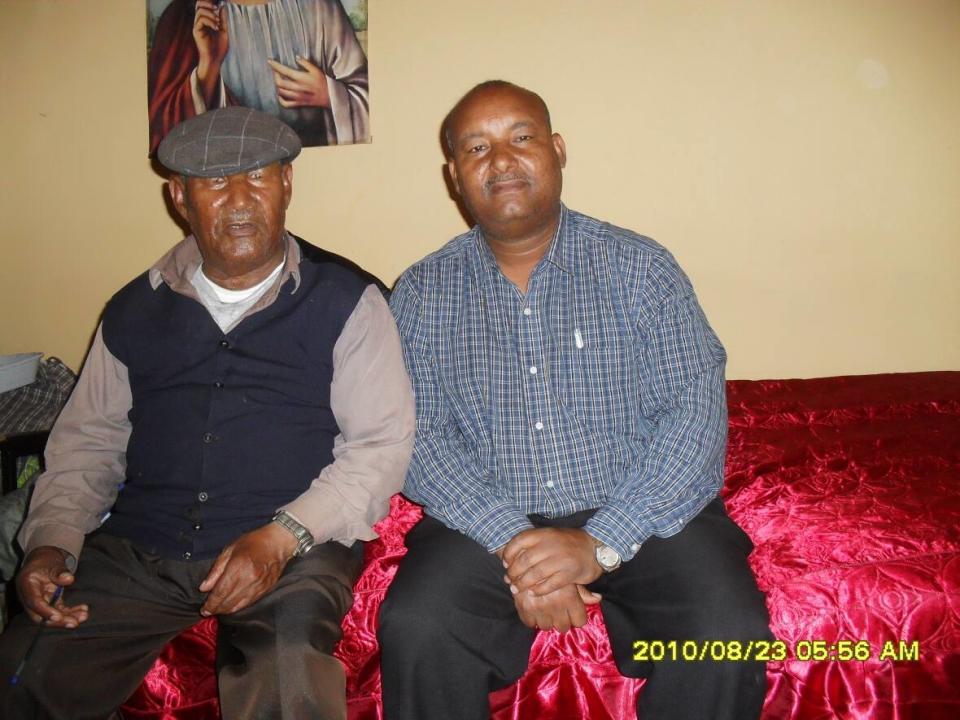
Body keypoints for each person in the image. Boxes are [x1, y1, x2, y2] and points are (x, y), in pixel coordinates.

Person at [0, 106, 414, 720]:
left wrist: (281, 538)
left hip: (294, 546)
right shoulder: (131, 311)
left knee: (287, 675)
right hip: (140, 549)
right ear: (179, 197)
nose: (241, 199)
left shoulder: (349, 300)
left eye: (259, 176)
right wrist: (51, 542)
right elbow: (86, 445)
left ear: (288, 185)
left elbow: (379, 447)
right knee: (23, 670)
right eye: (215, 182)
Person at [378, 80, 772, 720]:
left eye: (521, 137)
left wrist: (600, 542)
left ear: (558, 150)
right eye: (477, 147)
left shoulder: (641, 268)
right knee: (418, 623)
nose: (501, 160)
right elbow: (419, 437)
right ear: (454, 177)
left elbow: (694, 416)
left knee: (725, 628)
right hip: (486, 521)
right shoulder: (422, 293)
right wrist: (517, 545)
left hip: (643, 510)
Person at [148, 0, 369, 153]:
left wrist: (329, 94)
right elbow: (166, 134)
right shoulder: (186, 19)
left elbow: (368, 102)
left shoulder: (320, 7)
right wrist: (209, 67)